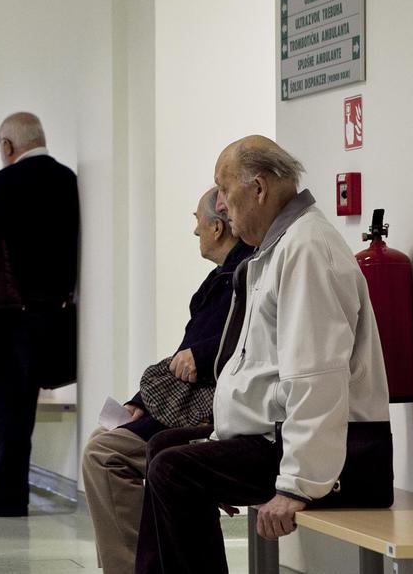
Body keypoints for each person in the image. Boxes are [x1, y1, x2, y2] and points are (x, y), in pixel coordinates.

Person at [136, 136, 393, 574]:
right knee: (163, 447)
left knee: (174, 471)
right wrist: (221, 444)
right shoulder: (277, 249)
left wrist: (296, 485)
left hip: (337, 459)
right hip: (274, 438)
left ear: (258, 189)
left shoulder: (308, 250)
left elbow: (317, 377)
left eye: (223, 187)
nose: (219, 203)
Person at [81, 188, 251, 572]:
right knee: (100, 440)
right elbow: (184, 353)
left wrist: (202, 358)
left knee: (103, 455)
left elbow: (238, 344)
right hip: (195, 399)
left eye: (197, 221)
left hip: (214, 406)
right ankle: (142, 561)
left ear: (218, 226)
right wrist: (139, 401)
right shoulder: (221, 279)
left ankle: (133, 567)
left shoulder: (244, 275)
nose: (194, 232)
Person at [0, 111, 79, 517]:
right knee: (21, 408)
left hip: (7, 317)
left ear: (7, 146)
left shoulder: (6, 182)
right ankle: (8, 492)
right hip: (53, 313)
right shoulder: (67, 179)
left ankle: (0, 495)